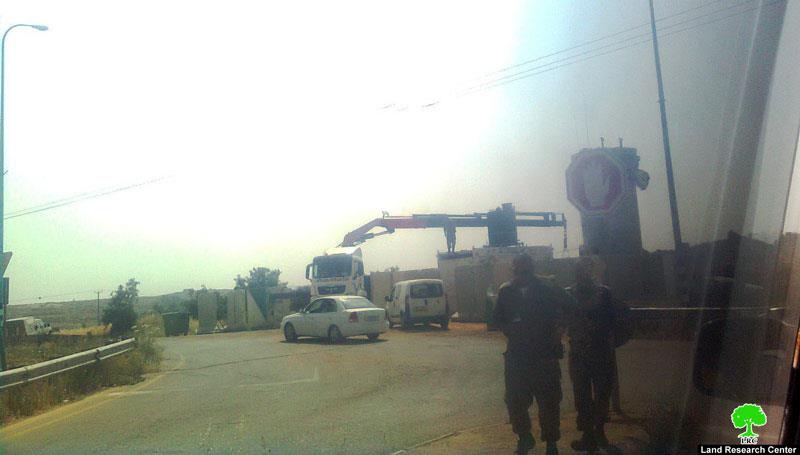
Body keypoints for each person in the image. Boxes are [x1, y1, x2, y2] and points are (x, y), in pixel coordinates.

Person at [493, 253, 575, 455]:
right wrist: (510, 328)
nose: (522, 272)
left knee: (549, 401)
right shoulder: (506, 291)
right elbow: (497, 319)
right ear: (514, 269)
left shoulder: (548, 288)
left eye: (526, 268)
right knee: (514, 400)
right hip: (517, 356)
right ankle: (524, 436)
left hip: (544, 354)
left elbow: (571, 307)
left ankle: (551, 443)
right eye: (518, 268)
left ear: (532, 268)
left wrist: (560, 328)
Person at [567, 257, 617, 452]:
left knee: (602, 394)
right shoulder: (568, 294)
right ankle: (589, 434)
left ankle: (598, 431)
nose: (581, 273)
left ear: (590, 271)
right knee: (582, 396)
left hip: (599, 351)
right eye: (578, 270)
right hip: (580, 352)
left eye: (584, 269)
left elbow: (613, 322)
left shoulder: (604, 293)